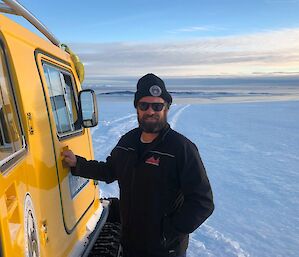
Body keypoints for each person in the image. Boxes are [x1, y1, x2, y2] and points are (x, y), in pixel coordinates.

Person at [62, 73, 214, 257]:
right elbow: (110, 170)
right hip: (130, 242)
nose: (150, 111)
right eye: (144, 105)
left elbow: (202, 202)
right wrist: (78, 164)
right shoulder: (128, 142)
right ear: (137, 108)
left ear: (166, 109)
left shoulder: (181, 149)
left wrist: (168, 232)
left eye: (157, 106)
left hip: (164, 250)